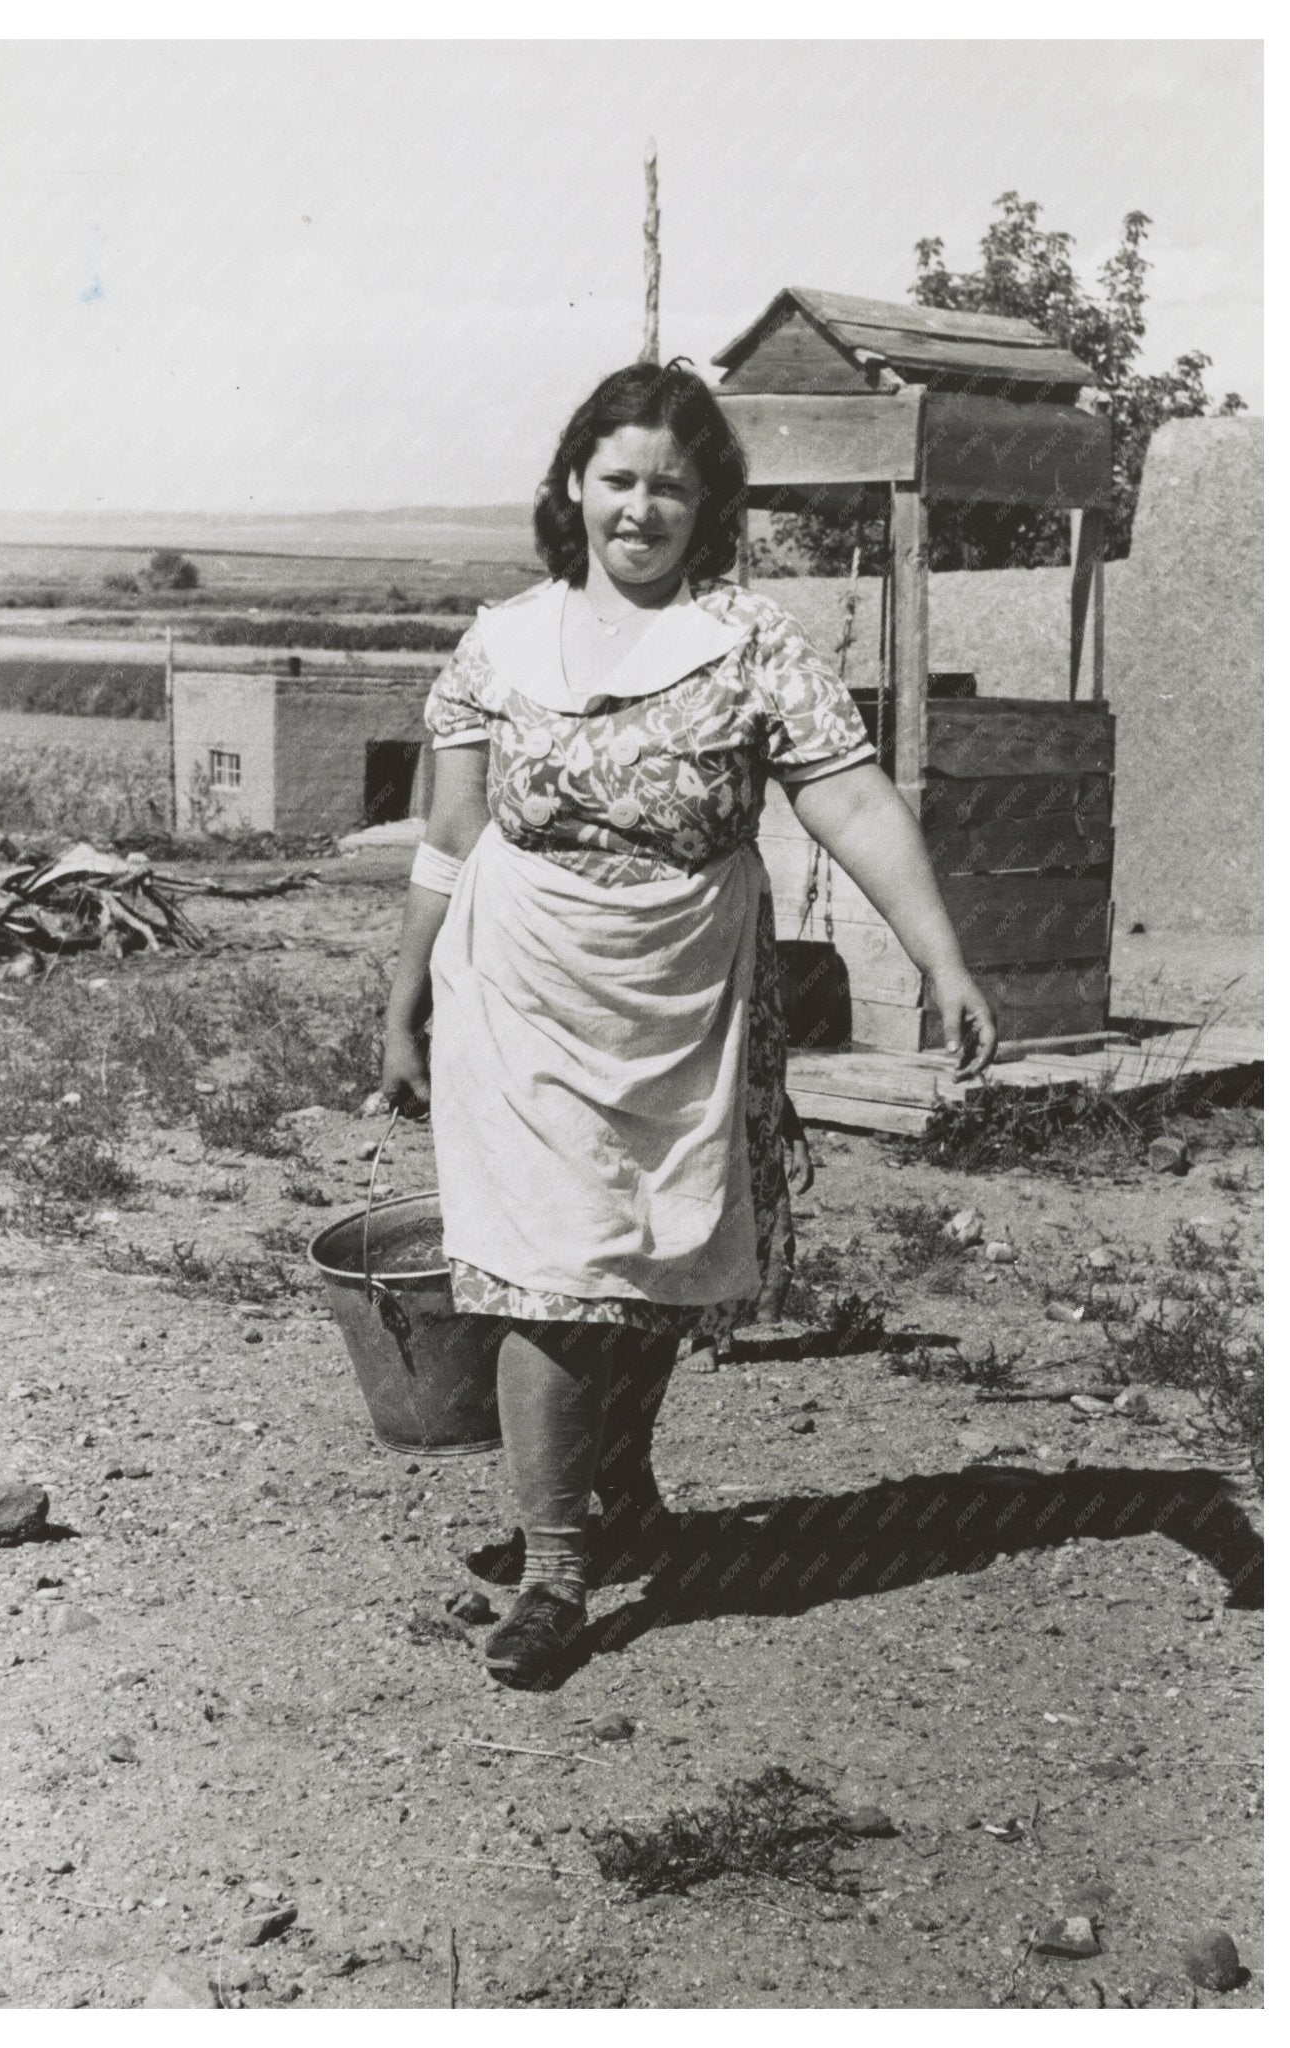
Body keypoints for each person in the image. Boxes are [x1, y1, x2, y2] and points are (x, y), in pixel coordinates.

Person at [380, 358, 996, 1689]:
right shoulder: (500, 643)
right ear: (570, 486)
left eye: (670, 484)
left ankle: (624, 1482)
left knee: (655, 1252)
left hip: (686, 994)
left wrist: (940, 958)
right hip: (521, 985)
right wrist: (402, 998)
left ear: (708, 500)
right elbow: (447, 834)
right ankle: (553, 1569)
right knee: (550, 1274)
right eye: (617, 480)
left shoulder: (756, 648)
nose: (640, 509)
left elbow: (854, 806)